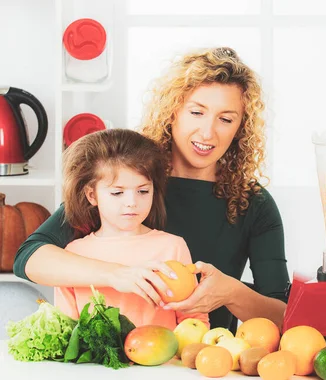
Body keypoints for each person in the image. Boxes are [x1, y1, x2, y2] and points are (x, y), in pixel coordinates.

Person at [13, 47, 289, 330]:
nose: (208, 132)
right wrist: (118, 275)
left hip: (204, 363)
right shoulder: (131, 182)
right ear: (173, 112)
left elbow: (283, 316)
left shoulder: (252, 202)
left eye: (226, 119)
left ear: (240, 128)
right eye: (196, 112)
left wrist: (231, 292)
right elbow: (29, 257)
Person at [53, 129, 208, 330]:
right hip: (94, 363)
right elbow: (66, 331)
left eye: (143, 191)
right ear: (92, 195)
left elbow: (195, 322)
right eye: (117, 192)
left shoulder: (172, 246)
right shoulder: (73, 254)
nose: (132, 203)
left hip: (164, 362)